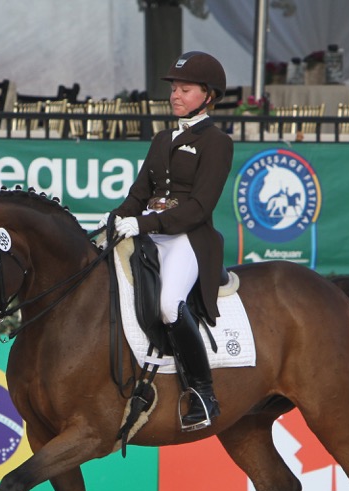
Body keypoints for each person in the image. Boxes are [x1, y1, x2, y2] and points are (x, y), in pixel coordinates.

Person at [104, 51, 233, 432]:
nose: (175, 94)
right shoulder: (162, 139)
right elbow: (138, 193)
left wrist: (143, 224)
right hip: (152, 232)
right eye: (174, 88)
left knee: (168, 306)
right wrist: (116, 218)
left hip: (188, 239)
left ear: (208, 95)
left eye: (185, 88)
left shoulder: (216, 143)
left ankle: (203, 394)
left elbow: (198, 207)